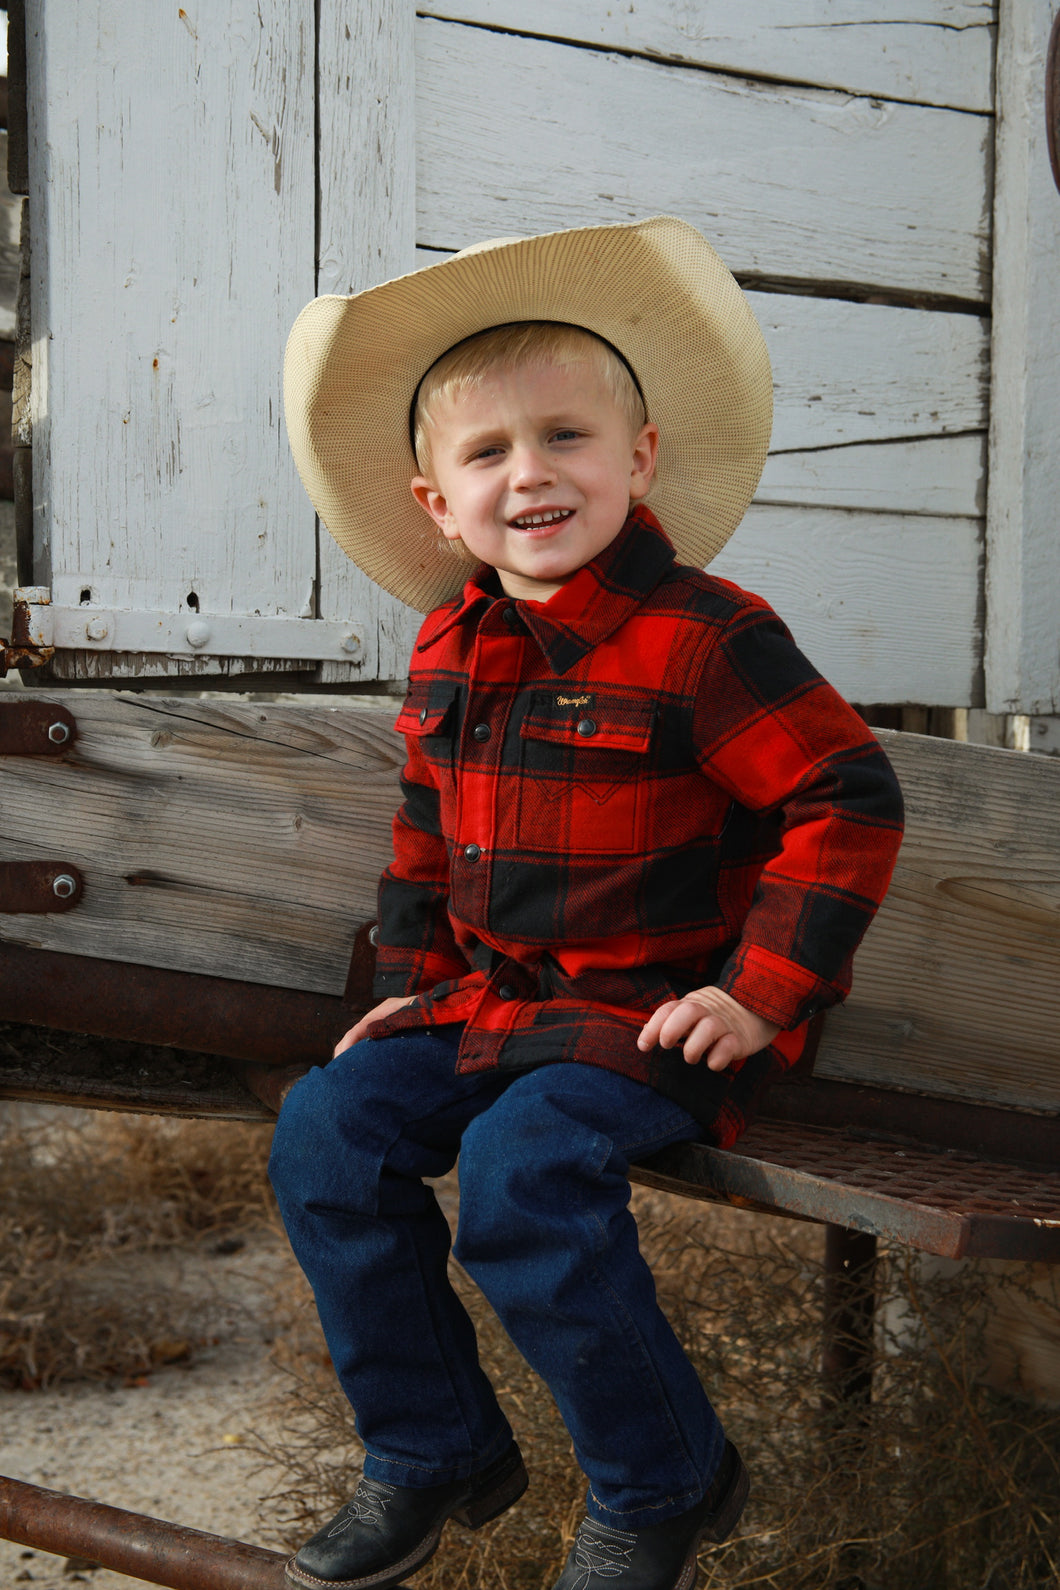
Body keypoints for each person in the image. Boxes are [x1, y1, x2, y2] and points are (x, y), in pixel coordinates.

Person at [269, 216, 905, 1590]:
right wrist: (407, 972)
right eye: (488, 453)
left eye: (566, 436)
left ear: (641, 458)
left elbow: (844, 797)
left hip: (658, 1015)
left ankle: (665, 1476)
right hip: (493, 1002)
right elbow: (425, 828)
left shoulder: (705, 635)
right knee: (326, 1130)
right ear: (436, 500)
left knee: (522, 1173)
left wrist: (760, 991)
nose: (531, 475)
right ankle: (431, 1447)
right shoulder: (455, 638)